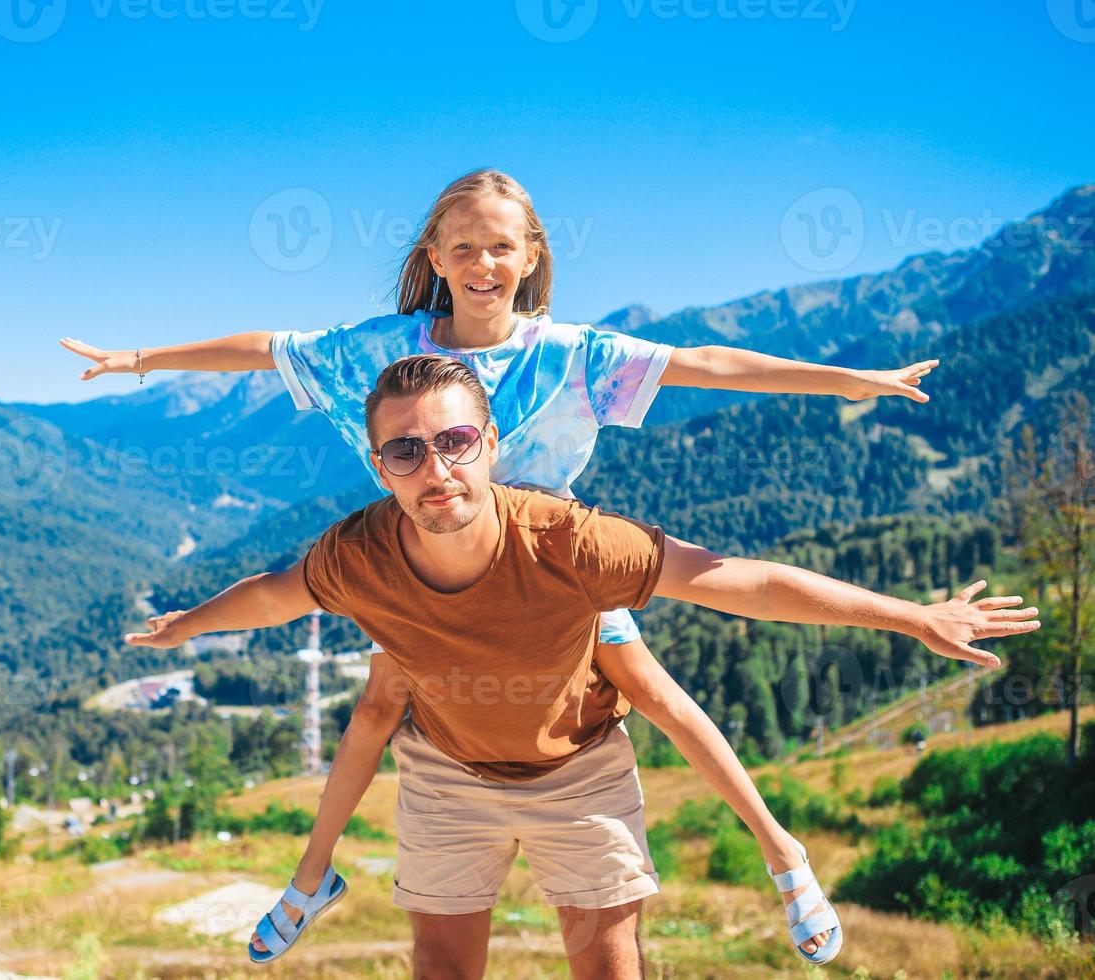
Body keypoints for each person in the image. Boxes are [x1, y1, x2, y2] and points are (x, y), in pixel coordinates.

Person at [64, 169, 940, 959]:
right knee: (376, 711)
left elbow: (708, 365)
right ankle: (312, 876)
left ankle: (782, 853)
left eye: (500, 245)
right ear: (435, 256)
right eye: (464, 245)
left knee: (654, 693)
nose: (483, 260)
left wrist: (844, 380)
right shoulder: (384, 347)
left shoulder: (572, 355)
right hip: (429, 571)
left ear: (530, 258)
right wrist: (142, 360)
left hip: (558, 570)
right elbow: (268, 348)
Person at [125, 355, 1036, 978]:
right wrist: (185, 629)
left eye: (452, 442)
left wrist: (913, 617)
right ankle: (312, 878)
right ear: (379, 467)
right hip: (446, 773)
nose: (433, 466)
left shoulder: (567, 541)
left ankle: (783, 855)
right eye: (405, 450)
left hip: (580, 771)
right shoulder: (356, 556)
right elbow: (273, 592)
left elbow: (739, 581)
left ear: (489, 444)